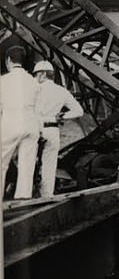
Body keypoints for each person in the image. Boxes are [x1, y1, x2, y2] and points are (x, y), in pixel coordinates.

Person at [34, 61, 84, 197]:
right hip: (52, 130)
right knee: (49, 167)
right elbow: (79, 111)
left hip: (34, 129)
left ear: (43, 74)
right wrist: (61, 117)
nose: (35, 77)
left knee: (27, 163)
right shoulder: (62, 91)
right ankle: (46, 197)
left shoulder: (33, 89)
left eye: (36, 74)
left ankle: (26, 196)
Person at [0, 46, 40, 199]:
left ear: (8, 60)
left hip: (11, 121)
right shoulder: (34, 82)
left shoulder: (3, 81)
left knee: (2, 164)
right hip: (31, 123)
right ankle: (23, 202)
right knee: (27, 167)